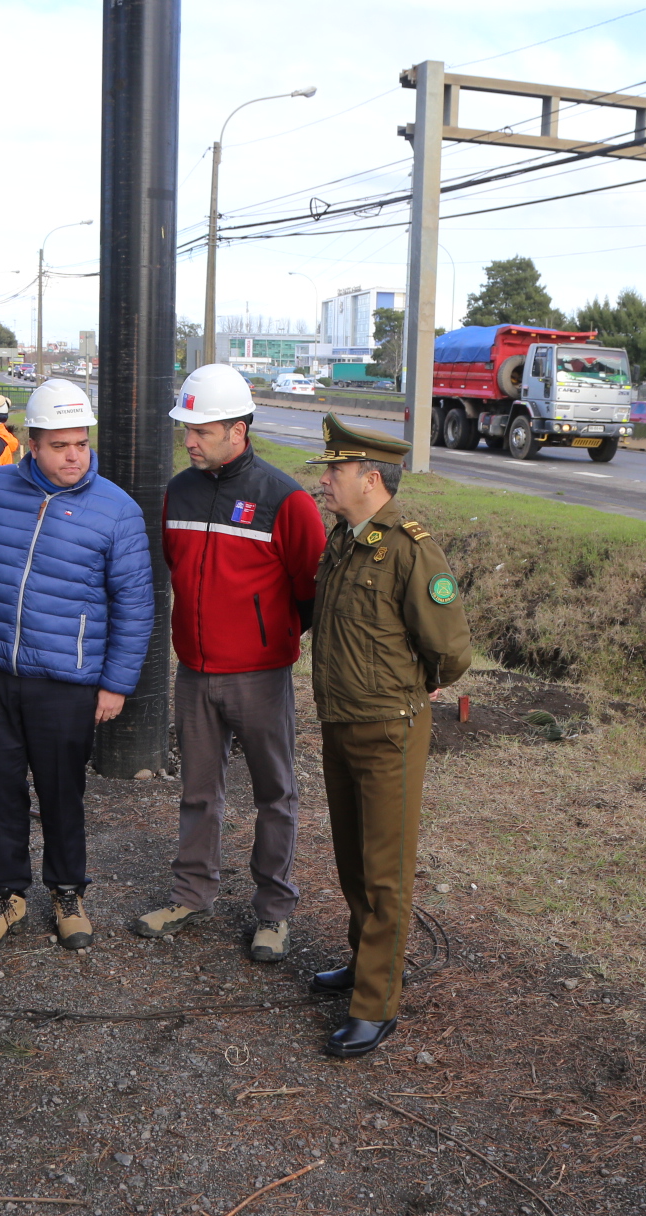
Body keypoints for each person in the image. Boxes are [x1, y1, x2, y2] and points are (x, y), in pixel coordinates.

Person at [0, 378, 154, 954]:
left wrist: (115, 684)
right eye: (60, 445)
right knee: (0, 789)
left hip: (67, 680)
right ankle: (5, 896)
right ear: (32, 445)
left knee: (62, 792)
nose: (73, 456)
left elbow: (136, 607)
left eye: (81, 444)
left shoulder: (116, 512)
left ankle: (68, 893)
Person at [131, 365, 323, 963]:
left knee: (275, 795)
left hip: (261, 678)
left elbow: (310, 588)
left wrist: (266, 639)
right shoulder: (178, 492)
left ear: (238, 431)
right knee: (197, 792)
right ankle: (192, 894)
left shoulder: (285, 500)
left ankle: (273, 912)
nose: (188, 440)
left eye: (201, 430)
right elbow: (177, 566)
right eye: (185, 428)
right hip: (193, 675)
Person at [303, 415, 470, 1059]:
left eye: (335, 471)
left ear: (370, 478)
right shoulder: (344, 540)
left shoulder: (409, 547)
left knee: (385, 871)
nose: (325, 481)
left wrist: (421, 683)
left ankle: (376, 1003)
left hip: (388, 730)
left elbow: (450, 647)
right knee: (352, 858)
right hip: (341, 721)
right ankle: (362, 964)